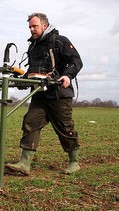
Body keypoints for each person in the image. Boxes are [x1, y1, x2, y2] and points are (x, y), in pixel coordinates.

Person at [5, 13, 83, 175]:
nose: (31, 30)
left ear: (44, 26)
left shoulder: (60, 41)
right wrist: (22, 81)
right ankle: (24, 163)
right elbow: (33, 70)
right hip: (39, 94)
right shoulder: (33, 46)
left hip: (59, 94)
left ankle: (74, 162)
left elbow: (76, 61)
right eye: (30, 27)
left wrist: (67, 75)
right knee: (30, 123)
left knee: (64, 127)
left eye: (34, 26)